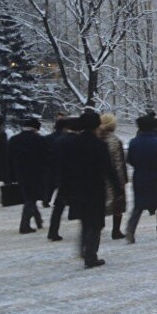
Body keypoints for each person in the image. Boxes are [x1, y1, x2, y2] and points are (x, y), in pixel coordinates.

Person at [59, 112, 116, 269]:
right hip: (96, 188)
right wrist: (117, 189)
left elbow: (64, 169)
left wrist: (64, 191)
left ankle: (84, 249)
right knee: (96, 222)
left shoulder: (70, 144)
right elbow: (108, 169)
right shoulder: (99, 145)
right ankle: (90, 254)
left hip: (77, 188)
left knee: (85, 219)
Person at [126, 115, 157, 243]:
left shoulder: (133, 142)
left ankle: (131, 229)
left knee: (139, 205)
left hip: (140, 176)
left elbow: (130, 159)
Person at [7, 118, 48, 233]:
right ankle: (24, 225)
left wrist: (10, 176)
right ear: (36, 128)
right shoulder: (39, 140)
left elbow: (9, 159)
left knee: (29, 197)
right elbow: (46, 158)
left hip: (20, 173)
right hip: (36, 174)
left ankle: (38, 220)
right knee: (31, 199)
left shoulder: (14, 140)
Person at [46, 117, 81, 242]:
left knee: (58, 206)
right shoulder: (78, 141)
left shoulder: (58, 141)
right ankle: (87, 231)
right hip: (75, 178)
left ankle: (53, 231)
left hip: (61, 177)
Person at [97, 114, 128, 239]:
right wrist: (121, 182)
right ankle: (116, 231)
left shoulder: (97, 138)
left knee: (100, 204)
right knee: (117, 205)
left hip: (98, 179)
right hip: (113, 178)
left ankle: (98, 227)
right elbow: (119, 163)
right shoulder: (115, 141)